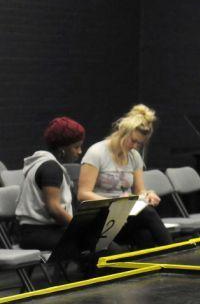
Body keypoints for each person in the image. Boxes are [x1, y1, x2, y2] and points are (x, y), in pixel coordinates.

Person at [78, 104, 170, 249]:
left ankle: (156, 266)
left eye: (139, 144)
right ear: (122, 132)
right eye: (133, 141)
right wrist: (115, 202)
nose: (134, 146)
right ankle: (173, 253)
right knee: (148, 214)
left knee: (145, 235)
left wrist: (148, 194)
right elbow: (83, 194)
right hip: (100, 216)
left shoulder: (133, 156)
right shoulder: (96, 153)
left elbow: (140, 191)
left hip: (123, 216)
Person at [15, 117, 85, 250]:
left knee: (98, 242)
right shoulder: (50, 168)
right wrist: (79, 229)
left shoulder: (46, 164)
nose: (80, 151)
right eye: (76, 147)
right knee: (96, 244)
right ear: (62, 150)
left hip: (42, 231)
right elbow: (54, 209)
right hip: (37, 234)